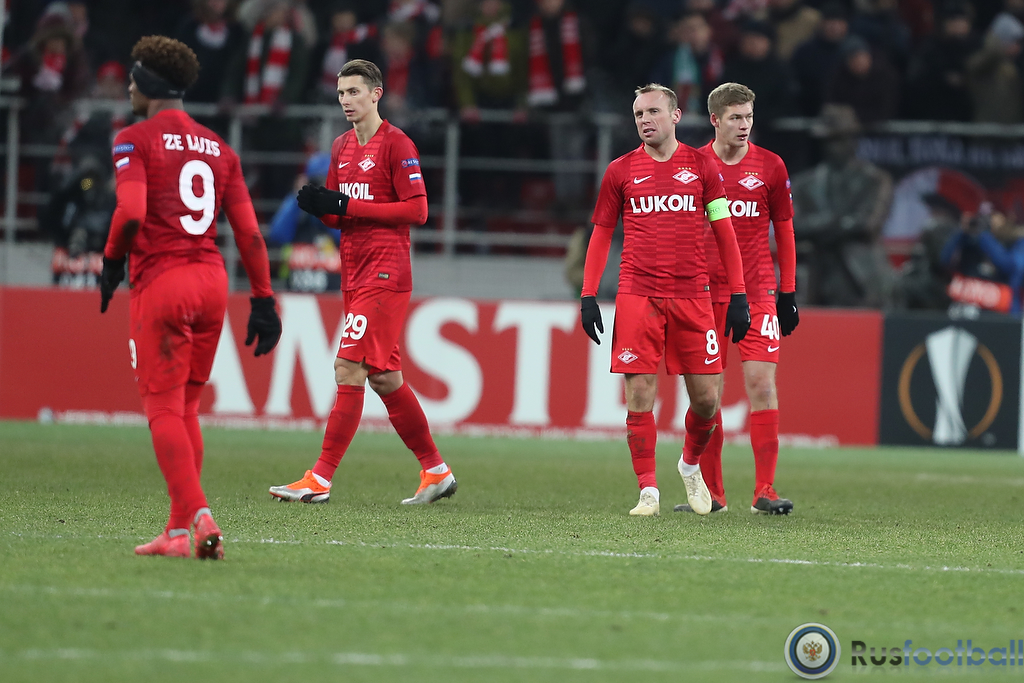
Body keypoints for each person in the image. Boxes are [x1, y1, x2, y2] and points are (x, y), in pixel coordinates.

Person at [99, 36, 283, 560]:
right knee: (187, 408)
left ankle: (200, 516)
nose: (128, 85)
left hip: (164, 281)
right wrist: (264, 300)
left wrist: (111, 261)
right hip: (212, 283)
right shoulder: (221, 149)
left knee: (161, 407)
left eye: (134, 76)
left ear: (148, 83)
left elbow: (131, 212)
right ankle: (176, 533)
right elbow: (249, 234)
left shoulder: (133, 138)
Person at [269, 59, 456, 506]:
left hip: (386, 273)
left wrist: (345, 206)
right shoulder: (340, 147)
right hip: (353, 273)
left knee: (348, 368)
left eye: (354, 92)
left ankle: (320, 477)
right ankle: (436, 470)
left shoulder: (398, 144)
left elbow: (417, 210)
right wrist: (320, 207)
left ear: (376, 94)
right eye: (341, 93)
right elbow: (340, 215)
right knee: (385, 378)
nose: (346, 101)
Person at [580, 83, 751, 518]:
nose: (645, 120)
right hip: (638, 293)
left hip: (693, 295)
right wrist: (588, 294)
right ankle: (648, 491)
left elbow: (724, 232)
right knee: (639, 392)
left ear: (675, 116)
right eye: (639, 114)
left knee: (708, 400)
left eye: (653, 112)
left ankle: (689, 465)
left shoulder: (701, 166)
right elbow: (601, 234)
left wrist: (738, 294)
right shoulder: (620, 171)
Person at [673, 82, 796, 516]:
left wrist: (788, 291)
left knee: (762, 384)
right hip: (704, 293)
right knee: (708, 395)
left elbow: (784, 229)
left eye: (749, 117)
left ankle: (765, 490)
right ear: (715, 120)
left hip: (758, 289)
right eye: (736, 118)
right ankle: (714, 495)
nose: (744, 125)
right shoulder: (691, 165)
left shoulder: (771, 166)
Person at [791, 104, 893, 307]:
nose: (831, 148)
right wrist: (839, 222)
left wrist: (819, 227)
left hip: (861, 279)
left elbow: (867, 224)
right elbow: (792, 227)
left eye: (837, 140)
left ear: (853, 140)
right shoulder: (804, 184)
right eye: (827, 141)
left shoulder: (875, 180)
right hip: (816, 280)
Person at [267, 152, 343, 292]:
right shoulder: (297, 210)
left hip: (334, 292)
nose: (320, 187)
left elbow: (345, 236)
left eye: (326, 181)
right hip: (295, 292)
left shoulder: (342, 205)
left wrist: (327, 205)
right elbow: (277, 235)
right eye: (315, 181)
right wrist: (297, 196)